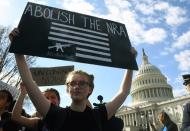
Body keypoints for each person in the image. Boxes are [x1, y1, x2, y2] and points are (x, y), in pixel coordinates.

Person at [9, 28, 137, 131]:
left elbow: (123, 92)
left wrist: (130, 64)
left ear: (90, 89)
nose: (77, 86)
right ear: (67, 89)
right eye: (73, 83)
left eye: (82, 83)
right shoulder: (55, 114)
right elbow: (29, 82)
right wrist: (18, 49)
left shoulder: (99, 115)